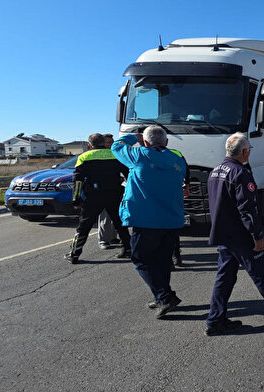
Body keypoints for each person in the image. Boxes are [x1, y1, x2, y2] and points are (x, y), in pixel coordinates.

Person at [204, 133, 264, 336]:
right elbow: (247, 209)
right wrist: (257, 235)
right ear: (245, 151)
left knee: (224, 276)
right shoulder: (240, 173)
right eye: (249, 149)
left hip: (223, 234)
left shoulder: (215, 172)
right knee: (261, 273)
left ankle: (215, 319)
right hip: (241, 235)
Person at [111, 126, 187, 318]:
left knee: (141, 260)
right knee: (162, 261)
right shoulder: (177, 159)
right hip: (171, 219)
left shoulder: (139, 155)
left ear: (145, 143)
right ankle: (161, 295)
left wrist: (132, 137)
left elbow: (116, 147)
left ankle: (164, 296)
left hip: (146, 220)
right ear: (167, 143)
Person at [64, 133, 130, 264]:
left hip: (94, 195)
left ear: (90, 145)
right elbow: (128, 174)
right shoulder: (115, 154)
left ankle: (74, 254)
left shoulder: (84, 157)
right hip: (114, 194)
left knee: (84, 226)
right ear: (103, 142)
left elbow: (78, 180)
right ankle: (128, 249)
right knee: (120, 223)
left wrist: (76, 198)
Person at [97, 133, 122, 250]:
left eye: (112, 142)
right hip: (102, 190)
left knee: (116, 215)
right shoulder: (98, 156)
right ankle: (103, 240)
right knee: (105, 216)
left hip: (116, 188)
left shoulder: (115, 154)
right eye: (108, 142)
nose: (111, 144)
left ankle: (113, 237)